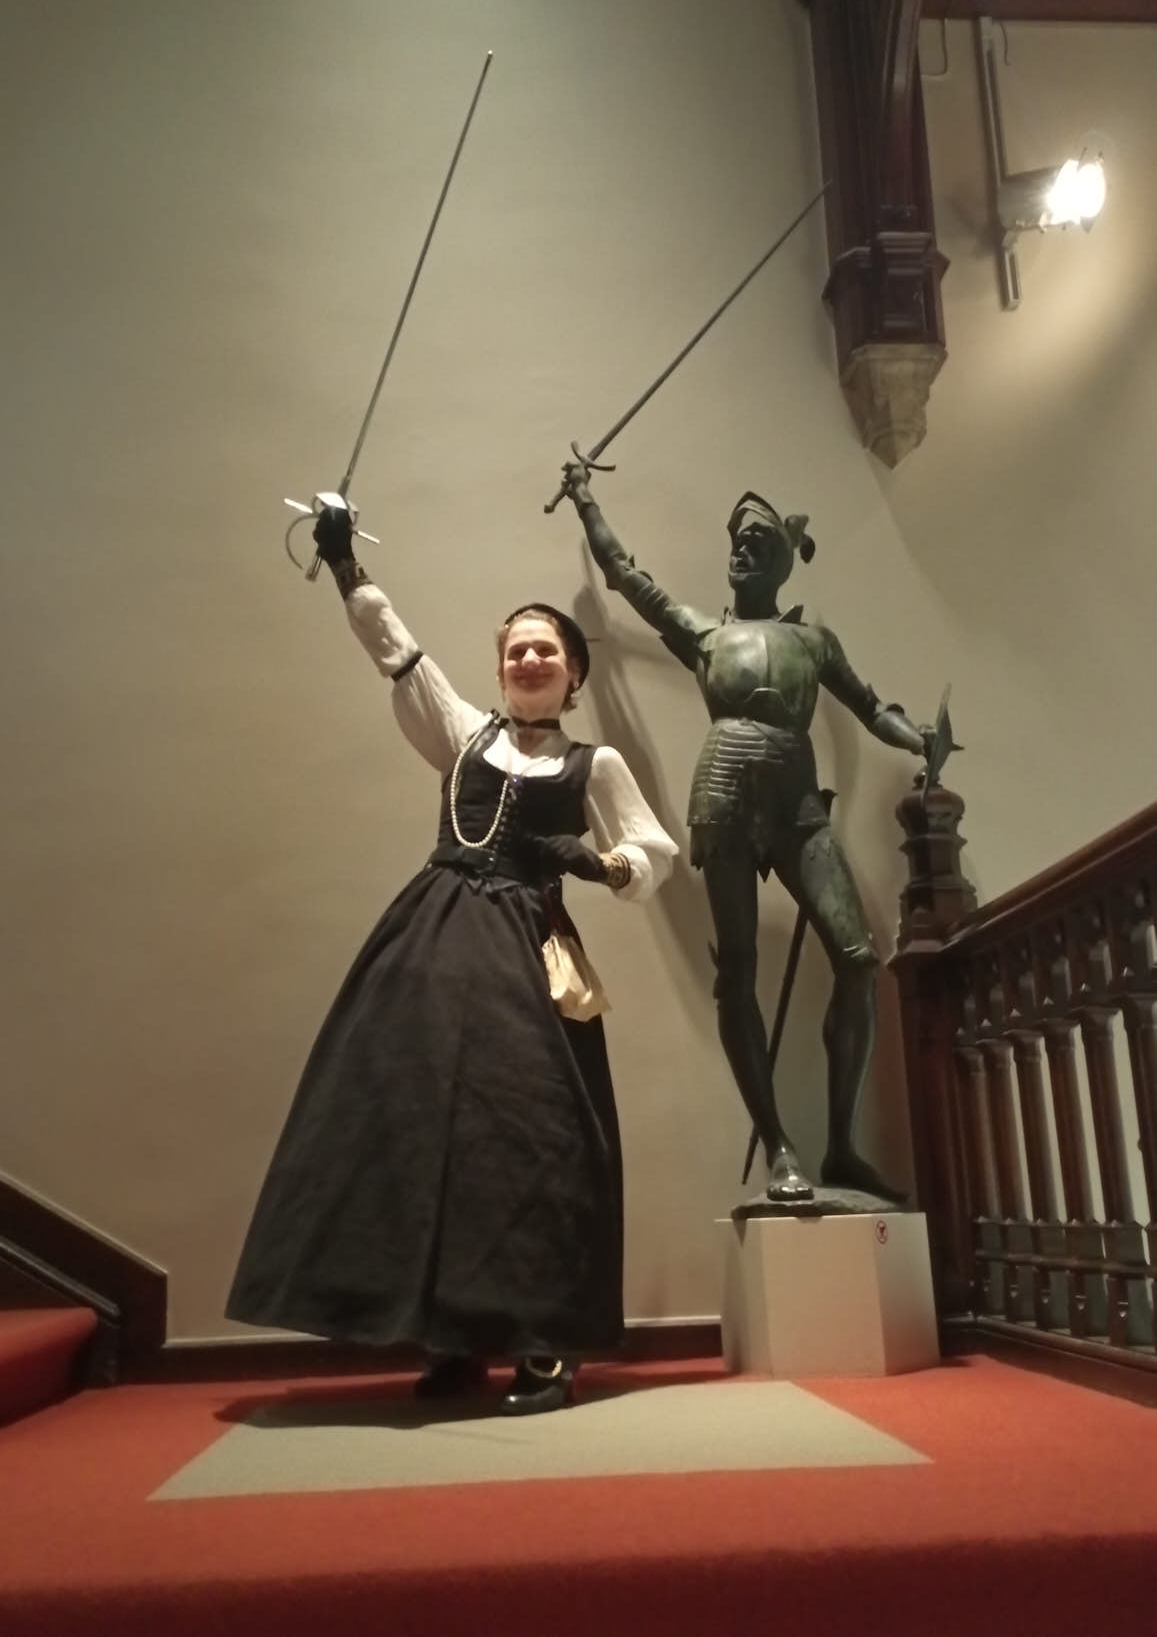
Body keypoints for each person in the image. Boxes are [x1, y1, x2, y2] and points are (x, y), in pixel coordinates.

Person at [227, 502, 677, 1413]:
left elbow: (652, 851)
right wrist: (345, 564)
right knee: (421, 1126)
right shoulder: (463, 732)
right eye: (516, 649)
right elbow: (399, 653)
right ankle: (453, 1338)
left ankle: (544, 1343)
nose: (529, 658)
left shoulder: (595, 764)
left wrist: (601, 864)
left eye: (546, 649)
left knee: (534, 1137)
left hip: (526, 948)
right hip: (431, 941)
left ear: (574, 674)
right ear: (501, 667)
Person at [553, 459, 932, 1207]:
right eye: (737, 541)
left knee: (857, 961)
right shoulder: (703, 633)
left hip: (797, 799)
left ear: (784, 561)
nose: (742, 550)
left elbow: (870, 708)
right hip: (724, 791)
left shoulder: (813, 643)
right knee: (737, 972)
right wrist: (585, 497)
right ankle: (780, 1145)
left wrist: (919, 740)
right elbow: (625, 573)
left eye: (758, 542)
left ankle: (840, 1147)